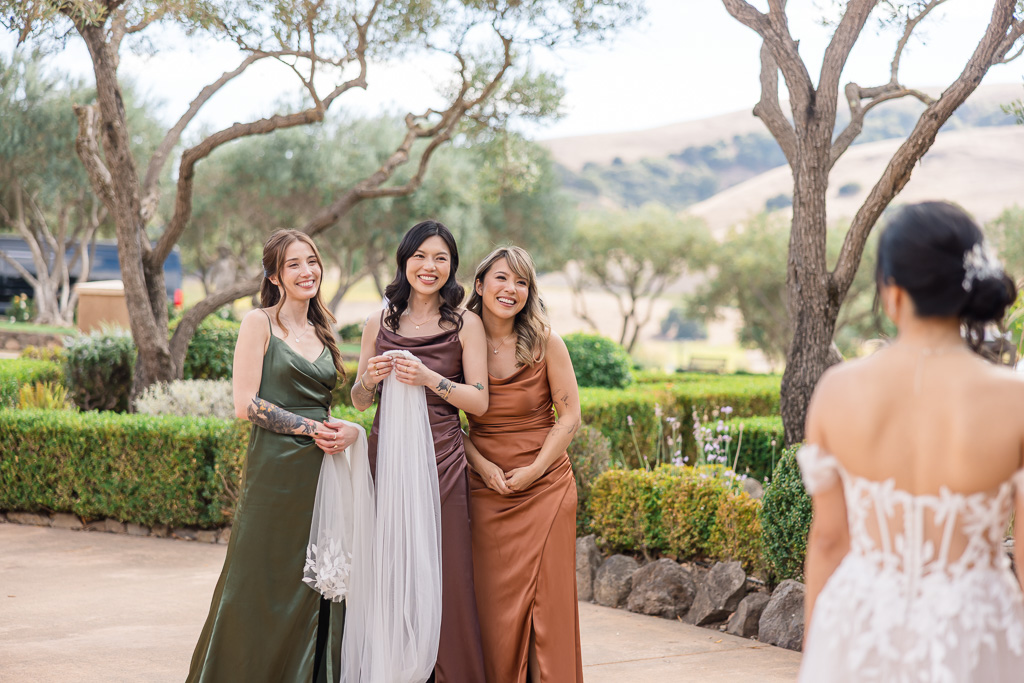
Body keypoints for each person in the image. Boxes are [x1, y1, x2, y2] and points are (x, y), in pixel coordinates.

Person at [798, 201, 1024, 681]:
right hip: (976, 632)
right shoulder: (1016, 403)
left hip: (860, 628)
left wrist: (815, 654)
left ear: (892, 292)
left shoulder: (836, 392)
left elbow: (829, 539)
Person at [188, 229, 360, 683]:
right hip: (274, 472)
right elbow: (245, 404)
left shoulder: (326, 328)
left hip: (323, 470)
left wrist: (340, 430)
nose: (307, 272)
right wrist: (312, 428)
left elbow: (325, 404)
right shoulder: (258, 323)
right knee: (257, 579)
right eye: (294, 265)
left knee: (317, 580)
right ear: (275, 276)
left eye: (312, 262)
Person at [351, 220, 489, 683]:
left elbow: (480, 401)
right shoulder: (379, 320)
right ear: (404, 260)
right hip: (385, 459)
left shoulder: (466, 324)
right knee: (388, 565)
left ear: (451, 267)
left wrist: (429, 378)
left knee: (446, 570)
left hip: (443, 459)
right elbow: (359, 399)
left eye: (441, 258)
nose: (429, 267)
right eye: (420, 256)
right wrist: (369, 377)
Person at [463, 246, 584, 683]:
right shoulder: (459, 343)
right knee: (494, 611)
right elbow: (444, 425)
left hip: (547, 488)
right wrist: (480, 466)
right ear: (479, 285)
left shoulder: (547, 342)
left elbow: (570, 417)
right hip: (484, 491)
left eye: (521, 282)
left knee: (548, 610)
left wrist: (534, 470)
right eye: (501, 278)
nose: (510, 289)